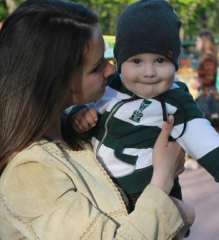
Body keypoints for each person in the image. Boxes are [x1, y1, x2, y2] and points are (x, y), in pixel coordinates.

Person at [0, 0, 190, 239]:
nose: (111, 70)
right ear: (57, 80)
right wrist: (164, 180)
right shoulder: (28, 173)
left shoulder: (73, 126)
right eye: (97, 66)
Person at [70, 0, 219, 221]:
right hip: (102, 190)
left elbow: (205, 139)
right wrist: (78, 117)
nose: (149, 72)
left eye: (160, 60)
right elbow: (79, 106)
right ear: (121, 62)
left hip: (150, 193)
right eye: (137, 61)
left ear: (174, 63)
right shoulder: (108, 86)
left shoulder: (176, 101)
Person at [195, 30, 219, 137]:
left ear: (204, 42)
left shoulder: (208, 57)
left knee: (210, 128)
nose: (196, 43)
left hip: (208, 97)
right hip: (208, 96)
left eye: (198, 41)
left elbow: (209, 77)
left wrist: (198, 83)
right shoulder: (208, 56)